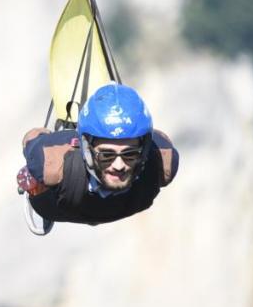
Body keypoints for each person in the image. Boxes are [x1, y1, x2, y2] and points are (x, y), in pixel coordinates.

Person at [17, 83, 178, 226]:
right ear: (86, 148)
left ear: (144, 151)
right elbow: (31, 140)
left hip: (82, 204)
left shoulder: (163, 160)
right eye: (107, 155)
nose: (119, 165)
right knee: (42, 173)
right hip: (55, 206)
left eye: (130, 155)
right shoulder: (49, 161)